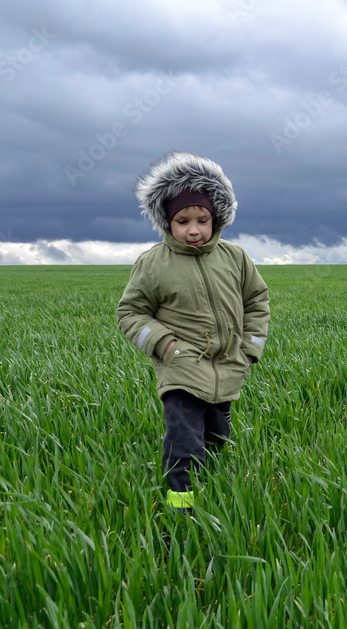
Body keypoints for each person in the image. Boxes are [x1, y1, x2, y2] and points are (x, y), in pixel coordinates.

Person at [117, 151, 270, 512]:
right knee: (184, 442)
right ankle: (181, 506)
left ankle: (216, 493)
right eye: (183, 220)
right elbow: (130, 312)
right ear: (167, 222)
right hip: (182, 369)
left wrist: (249, 348)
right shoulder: (154, 263)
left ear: (216, 218)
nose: (194, 229)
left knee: (218, 436)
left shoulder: (235, 258)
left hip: (229, 367)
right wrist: (165, 345)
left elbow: (257, 300)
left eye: (202, 219)